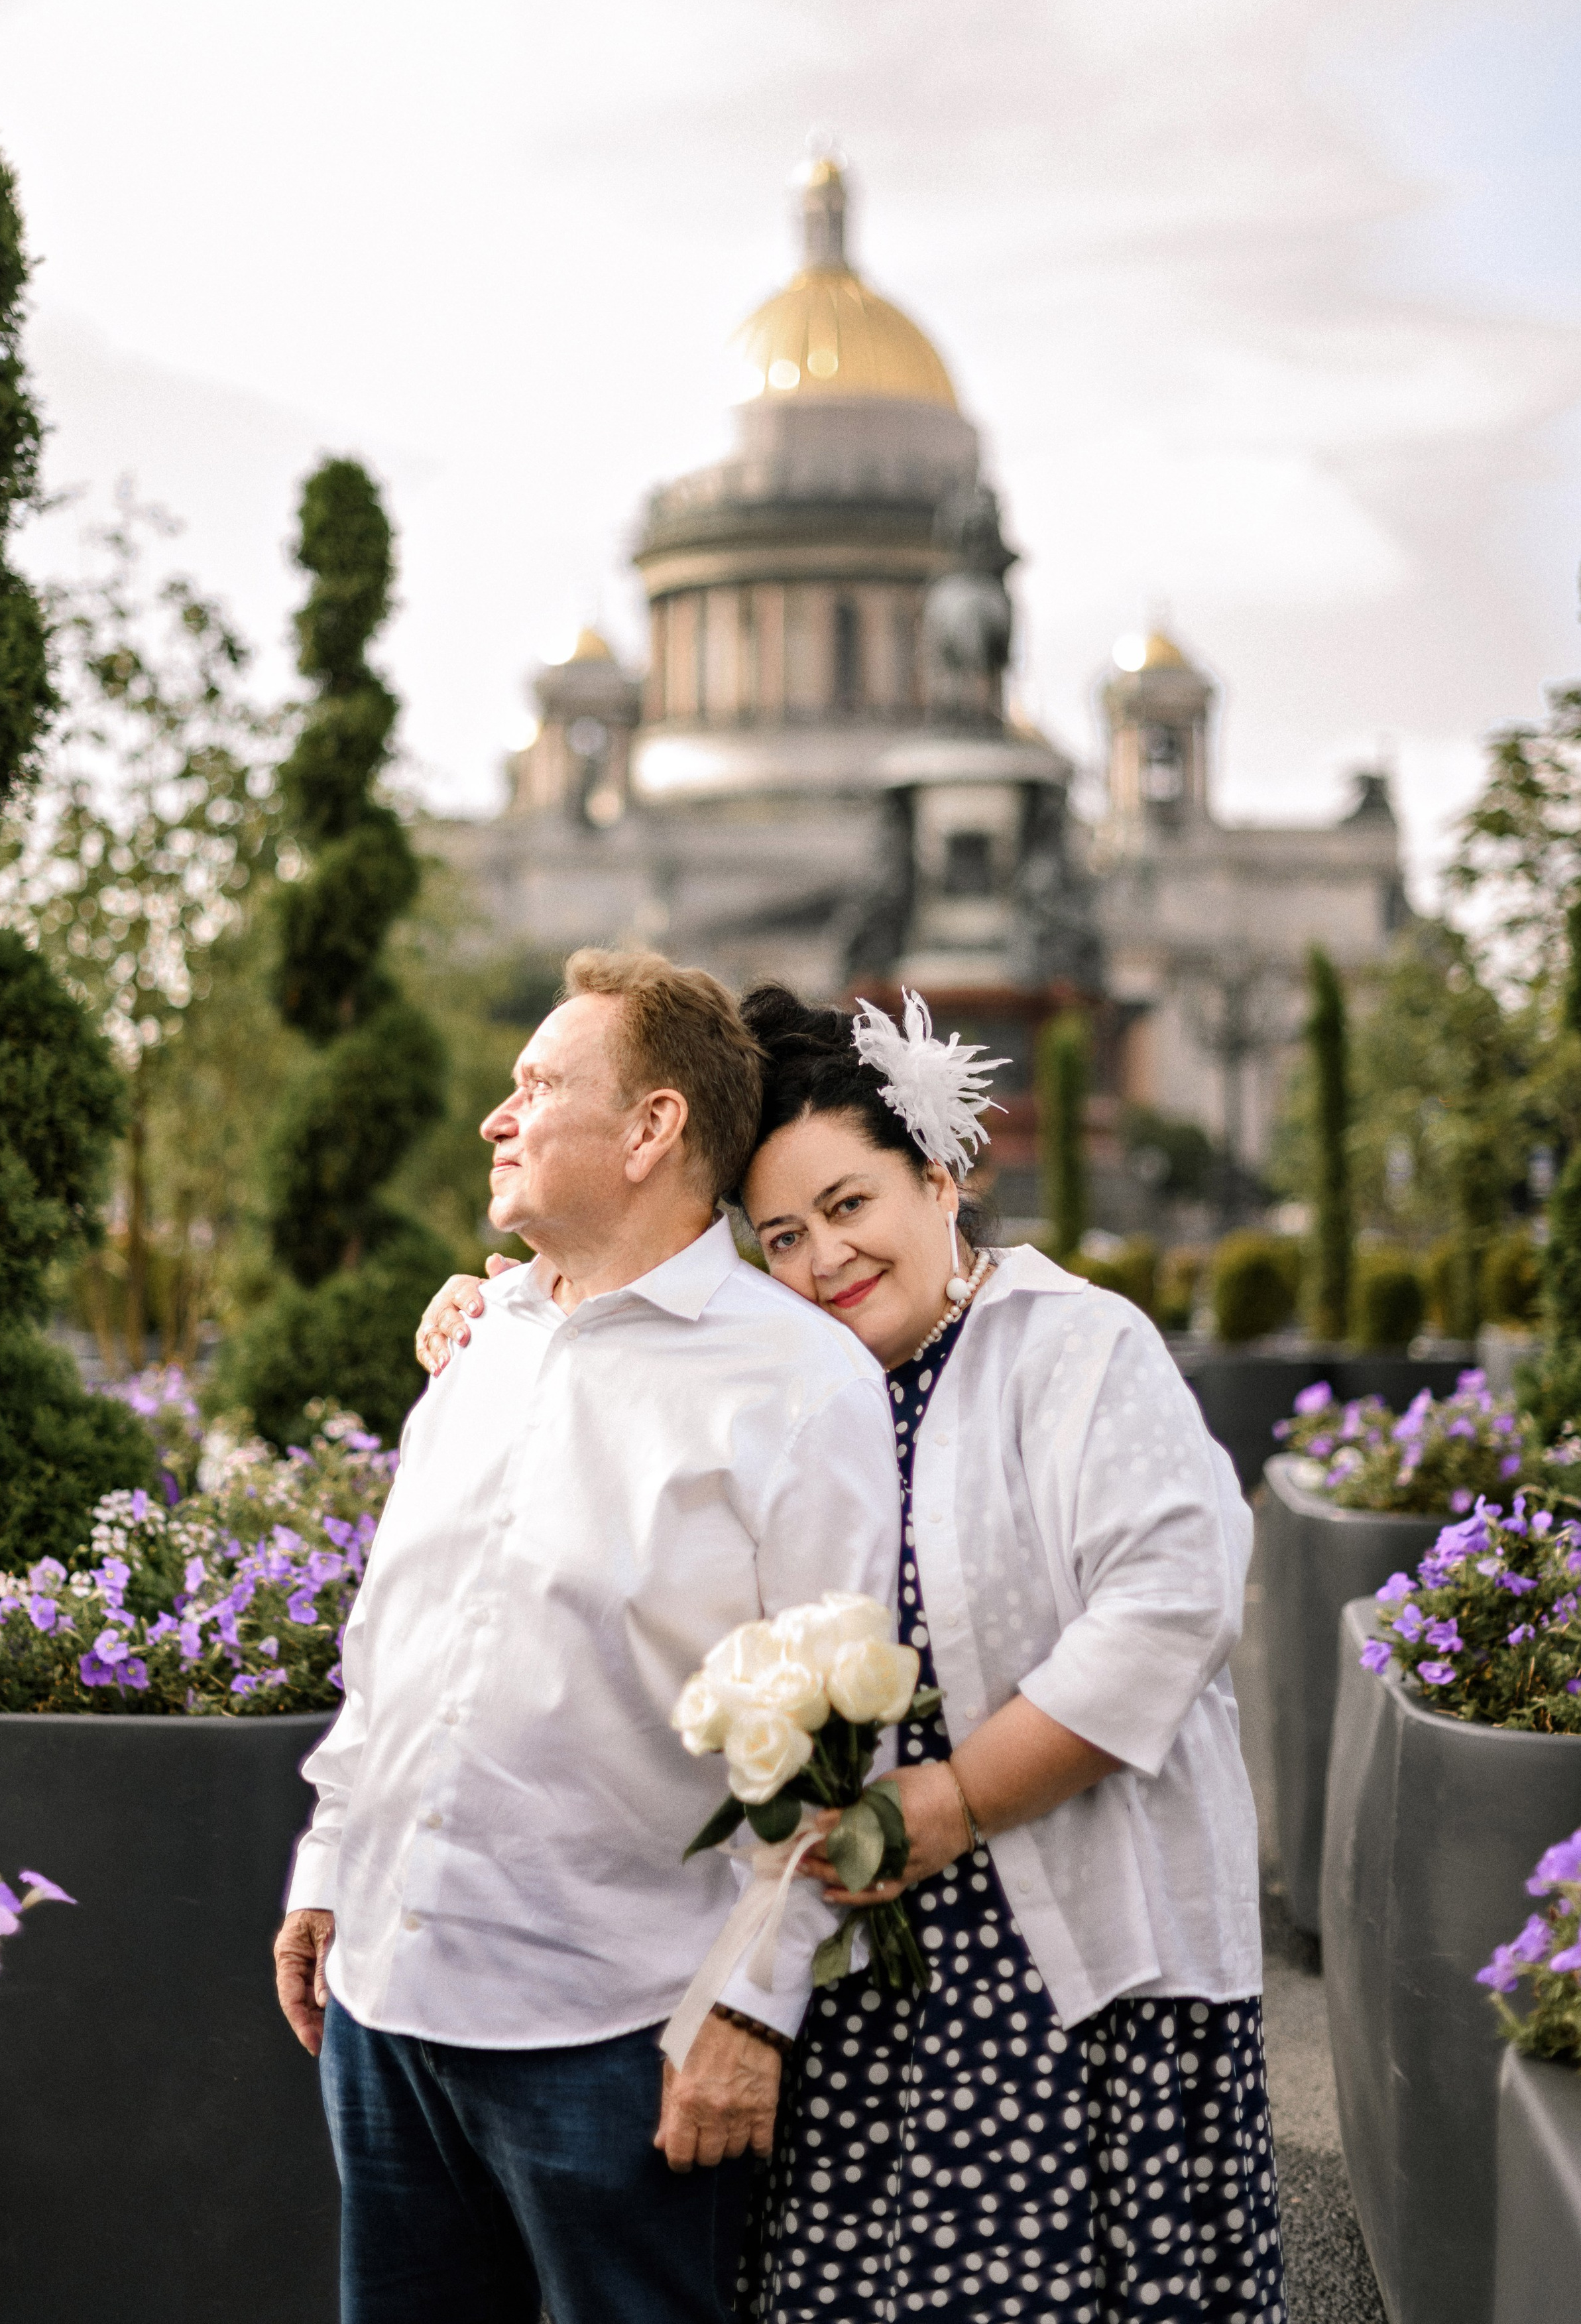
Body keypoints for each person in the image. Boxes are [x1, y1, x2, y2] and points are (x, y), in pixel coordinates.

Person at [418, 983, 1281, 2324]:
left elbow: (1166, 1607)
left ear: (938, 1177)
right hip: (852, 1989)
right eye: (778, 1236)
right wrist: (501, 1301)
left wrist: (953, 1798)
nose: (821, 1257)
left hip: (1060, 1980)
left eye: (847, 1205)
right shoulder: (778, 1379)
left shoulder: (1071, 1350)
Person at [277, 949, 901, 2324]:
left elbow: (837, 1743)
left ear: (650, 1127)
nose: (496, 1118)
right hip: (383, 2001)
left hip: (611, 2041)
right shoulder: (481, 1339)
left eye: (534, 1084)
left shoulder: (796, 1387)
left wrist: (749, 2012)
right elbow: (397, 1633)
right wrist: (327, 1862)